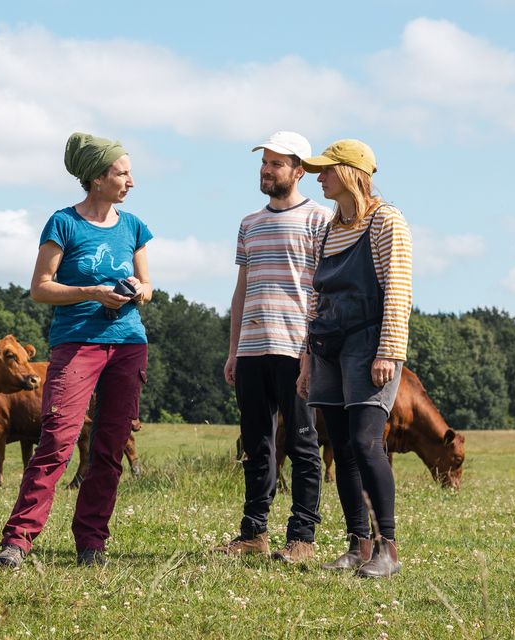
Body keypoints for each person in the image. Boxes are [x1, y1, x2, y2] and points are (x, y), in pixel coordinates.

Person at [0, 132, 153, 569]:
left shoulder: (133, 226)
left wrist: (140, 289)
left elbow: (149, 286)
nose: (130, 180)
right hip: (77, 343)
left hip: (129, 345)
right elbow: (40, 289)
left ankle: (92, 543)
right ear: (97, 178)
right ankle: (17, 541)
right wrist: (91, 292)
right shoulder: (63, 223)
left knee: (109, 446)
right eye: (122, 173)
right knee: (57, 441)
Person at [298, 139, 412, 578]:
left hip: (369, 346)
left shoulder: (387, 222)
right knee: (341, 448)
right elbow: (316, 296)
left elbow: (398, 292)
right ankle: (357, 544)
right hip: (327, 346)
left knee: (366, 444)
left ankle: (388, 550)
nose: (319, 176)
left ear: (350, 173)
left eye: (326, 169)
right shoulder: (328, 228)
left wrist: (389, 351)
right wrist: (307, 359)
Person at [213, 131, 330, 563]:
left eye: (277, 163)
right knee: (256, 443)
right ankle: (253, 533)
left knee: (302, 442)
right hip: (251, 350)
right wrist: (233, 349)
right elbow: (241, 290)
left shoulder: (320, 220)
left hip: (295, 348)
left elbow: (324, 289)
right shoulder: (249, 224)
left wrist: (312, 352)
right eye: (264, 162)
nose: (267, 169)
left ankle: (302, 538)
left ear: (299, 170)